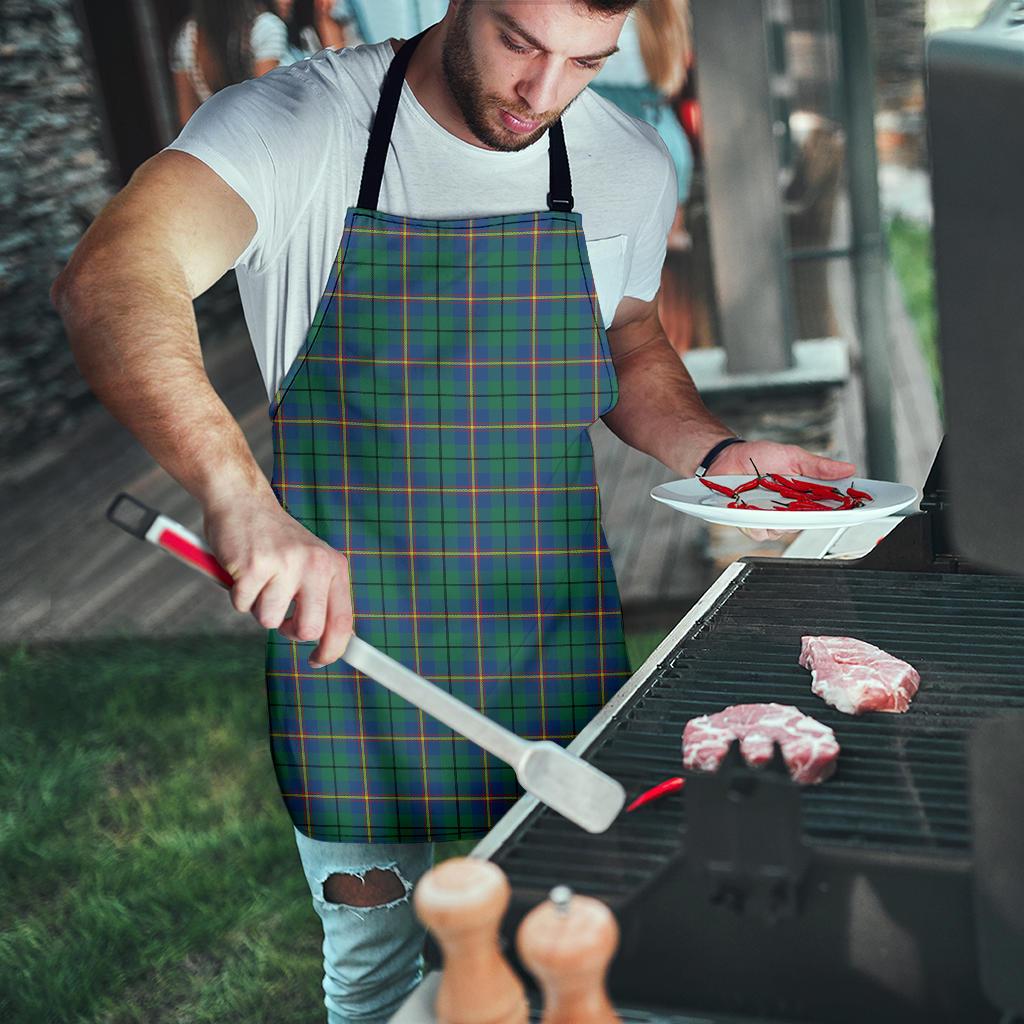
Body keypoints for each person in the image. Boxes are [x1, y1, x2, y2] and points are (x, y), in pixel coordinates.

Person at [53, 2, 856, 1020]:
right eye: (521, 43)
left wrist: (718, 450)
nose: (543, 93)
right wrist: (238, 497)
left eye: (585, 62)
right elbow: (113, 275)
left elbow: (628, 337)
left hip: (548, 634)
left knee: (569, 952)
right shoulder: (299, 125)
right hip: (348, 652)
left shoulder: (623, 160)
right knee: (378, 976)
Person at [170, 0, 289, 128]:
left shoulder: (187, 36)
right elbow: (268, 107)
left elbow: (187, 119)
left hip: (217, 141)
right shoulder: (265, 27)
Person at [275, 0, 350, 63]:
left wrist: (323, 17)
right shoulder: (271, 26)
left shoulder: (307, 29)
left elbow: (339, 61)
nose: (288, 2)